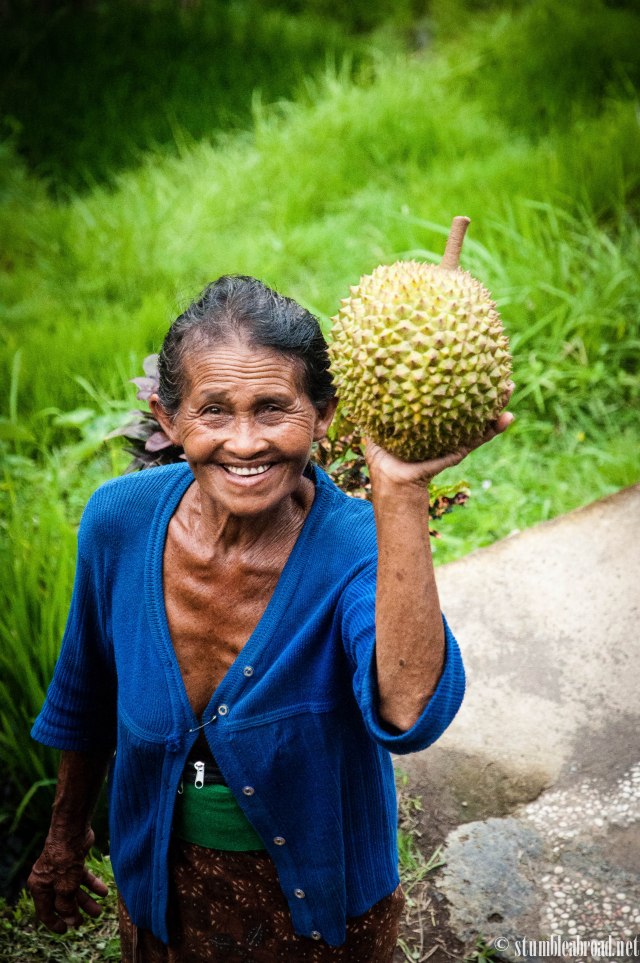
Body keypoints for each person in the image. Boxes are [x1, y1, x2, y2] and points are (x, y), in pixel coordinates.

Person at [27, 275, 514, 962]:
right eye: (214, 411)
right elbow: (87, 696)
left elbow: (410, 714)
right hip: (156, 884)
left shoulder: (356, 548)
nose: (246, 442)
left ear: (324, 414)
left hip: (325, 906)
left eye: (274, 409)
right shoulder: (120, 521)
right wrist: (64, 836)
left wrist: (401, 492)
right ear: (169, 419)